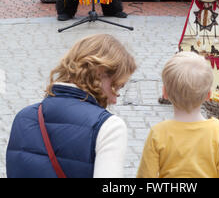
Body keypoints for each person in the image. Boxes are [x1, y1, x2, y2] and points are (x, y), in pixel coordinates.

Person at [6, 34, 137, 178]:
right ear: (100, 72)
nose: (114, 100)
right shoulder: (109, 126)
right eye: (116, 87)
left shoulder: (23, 117)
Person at [137, 52, 219, 178]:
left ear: (165, 93)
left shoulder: (158, 133)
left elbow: (145, 176)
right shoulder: (218, 131)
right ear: (209, 95)